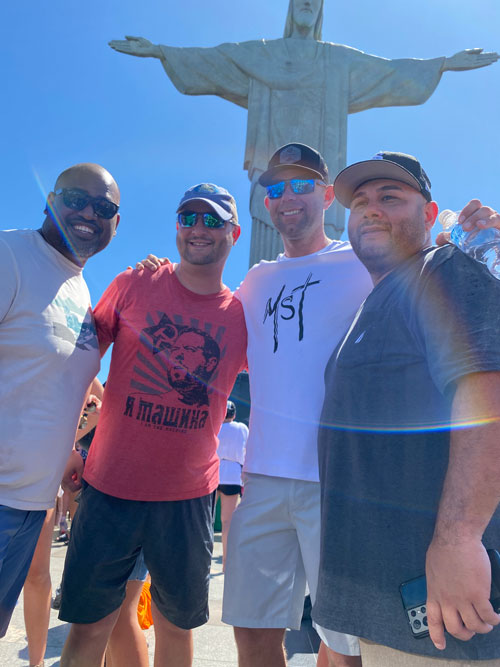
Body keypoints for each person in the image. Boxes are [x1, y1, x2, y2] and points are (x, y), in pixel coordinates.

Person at [109, 0, 498, 263]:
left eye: (315, 2)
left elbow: (389, 72)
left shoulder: (336, 61)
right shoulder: (262, 54)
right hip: (273, 169)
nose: (308, 8)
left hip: (318, 172)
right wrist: (161, 51)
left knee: (324, 244)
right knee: (270, 237)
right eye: (301, 1)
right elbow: (215, 60)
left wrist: (444, 63)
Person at [313, 151, 500, 665]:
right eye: (361, 202)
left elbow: (487, 394)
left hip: (437, 609)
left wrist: (460, 540)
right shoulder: (373, 303)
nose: (371, 209)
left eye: (391, 197)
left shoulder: (445, 270)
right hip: (379, 604)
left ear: (430, 212)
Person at [58, 183, 247, 667]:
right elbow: (79, 365)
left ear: (234, 233)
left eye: (212, 220)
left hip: (184, 501)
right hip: (108, 488)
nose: (198, 229)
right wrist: (65, 446)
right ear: (176, 226)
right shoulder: (134, 283)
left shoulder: (242, 318)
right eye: (188, 218)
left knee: (175, 629)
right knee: (88, 626)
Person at [0, 163, 120, 641]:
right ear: (50, 199)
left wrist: (68, 449)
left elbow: (53, 383)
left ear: (117, 223)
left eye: (104, 207)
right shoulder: (11, 255)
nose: (88, 212)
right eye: (75, 198)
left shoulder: (78, 284)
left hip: (29, 504)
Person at [216, 400, 248, 570]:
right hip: (233, 476)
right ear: (234, 414)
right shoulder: (242, 428)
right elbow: (245, 452)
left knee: (206, 520)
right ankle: (226, 562)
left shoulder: (214, 425)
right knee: (227, 522)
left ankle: (203, 560)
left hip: (213, 473)